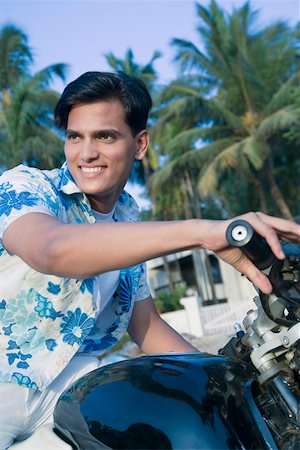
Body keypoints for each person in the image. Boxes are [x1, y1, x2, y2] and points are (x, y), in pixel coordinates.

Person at [0, 71, 299, 448]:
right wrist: (204, 232)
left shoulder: (127, 214)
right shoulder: (25, 187)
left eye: (104, 136)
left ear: (140, 144)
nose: (86, 152)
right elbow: (51, 250)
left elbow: (146, 323)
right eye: (75, 137)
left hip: (68, 390)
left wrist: (234, 386)